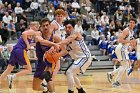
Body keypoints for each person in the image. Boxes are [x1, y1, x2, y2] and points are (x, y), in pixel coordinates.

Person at [0, 21, 40, 89]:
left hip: (15, 50)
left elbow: (24, 40)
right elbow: (23, 33)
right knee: (29, 69)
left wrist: (31, 44)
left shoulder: (30, 33)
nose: (37, 28)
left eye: (37, 27)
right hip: (20, 50)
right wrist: (27, 44)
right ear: (32, 26)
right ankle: (12, 76)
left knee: (9, 69)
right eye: (36, 27)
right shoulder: (31, 31)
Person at [59, 19, 92, 93]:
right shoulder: (66, 38)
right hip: (78, 59)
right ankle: (80, 90)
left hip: (85, 57)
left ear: (73, 28)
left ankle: (70, 91)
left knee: (69, 72)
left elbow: (67, 41)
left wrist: (55, 44)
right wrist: (56, 55)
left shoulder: (76, 33)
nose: (67, 29)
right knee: (72, 74)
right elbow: (65, 51)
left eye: (69, 27)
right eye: (66, 27)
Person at [33, 18, 61, 93]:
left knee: (47, 75)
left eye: (47, 25)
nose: (45, 27)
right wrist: (54, 44)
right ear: (41, 27)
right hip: (40, 63)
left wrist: (56, 50)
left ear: (49, 25)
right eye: (43, 26)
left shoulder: (55, 37)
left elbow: (62, 46)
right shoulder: (38, 34)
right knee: (35, 87)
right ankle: (45, 88)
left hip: (49, 61)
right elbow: (42, 41)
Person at [107, 18, 137, 87]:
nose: (131, 24)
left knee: (125, 66)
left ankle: (111, 74)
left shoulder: (132, 32)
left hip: (124, 49)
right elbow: (119, 40)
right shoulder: (126, 30)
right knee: (125, 65)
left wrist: (130, 46)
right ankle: (116, 81)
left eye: (133, 23)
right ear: (128, 23)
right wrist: (130, 42)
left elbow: (129, 41)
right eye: (130, 22)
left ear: (135, 24)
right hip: (121, 48)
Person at [49, 8, 66, 80]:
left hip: (59, 45)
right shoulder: (53, 24)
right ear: (56, 16)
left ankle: (49, 80)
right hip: (54, 45)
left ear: (64, 17)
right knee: (54, 65)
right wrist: (52, 45)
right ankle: (48, 80)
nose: (60, 17)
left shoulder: (62, 25)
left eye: (61, 16)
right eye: (58, 16)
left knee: (57, 66)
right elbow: (49, 35)